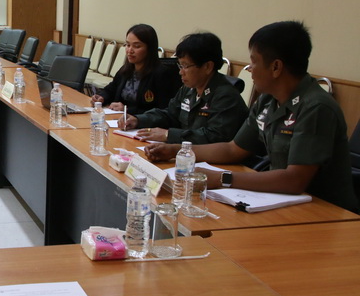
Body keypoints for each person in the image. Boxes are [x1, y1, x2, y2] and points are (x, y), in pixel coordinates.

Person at [145, 21, 358, 212]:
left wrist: (222, 178)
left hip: (324, 211)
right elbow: (233, 149)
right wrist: (177, 150)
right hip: (279, 200)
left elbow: (295, 180)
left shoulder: (316, 107)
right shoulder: (267, 100)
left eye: (254, 62)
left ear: (276, 67)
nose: (250, 70)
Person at [120, 31, 248, 144]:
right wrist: (138, 120)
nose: (181, 72)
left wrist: (168, 135)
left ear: (207, 67)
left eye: (185, 66)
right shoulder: (189, 88)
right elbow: (170, 114)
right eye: (180, 66)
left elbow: (214, 137)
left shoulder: (226, 96)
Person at [91, 24, 181, 115]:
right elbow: (111, 89)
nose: (130, 50)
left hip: (142, 122)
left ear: (149, 49)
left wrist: (126, 109)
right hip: (118, 118)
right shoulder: (126, 69)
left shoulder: (162, 74)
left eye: (137, 46)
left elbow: (163, 110)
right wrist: (102, 97)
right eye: (128, 45)